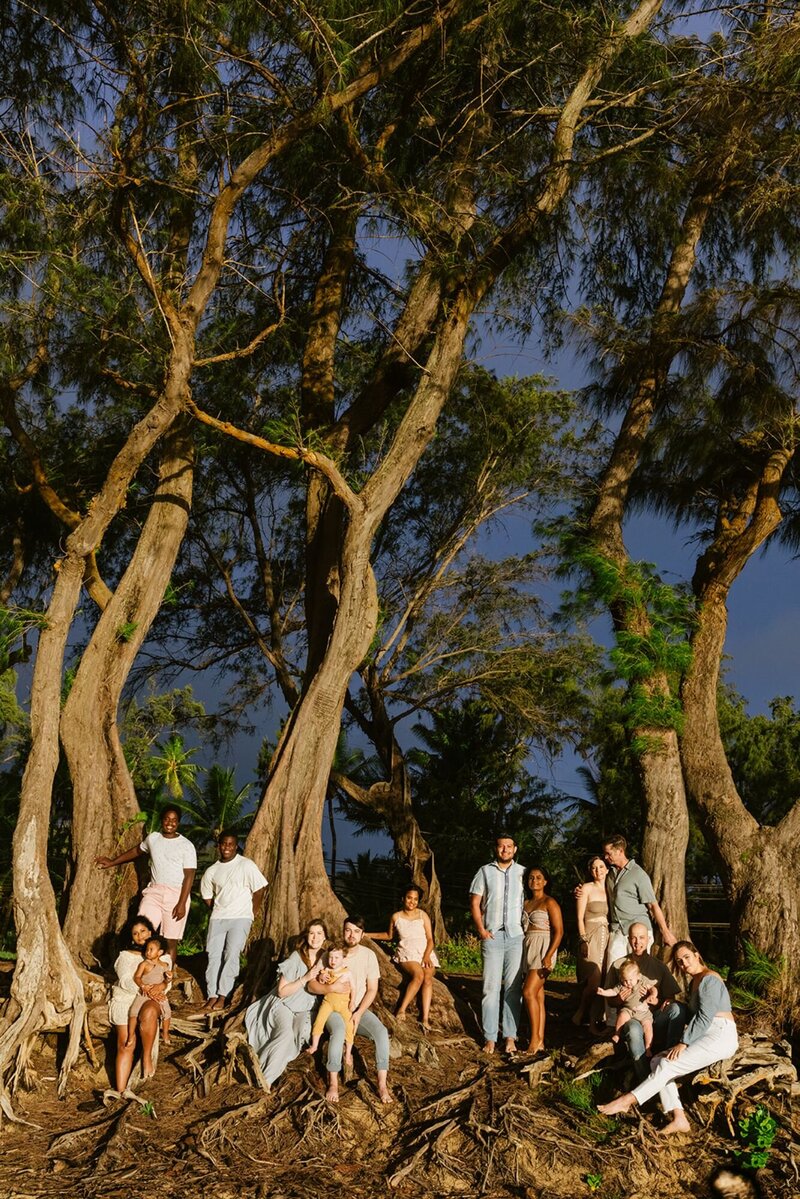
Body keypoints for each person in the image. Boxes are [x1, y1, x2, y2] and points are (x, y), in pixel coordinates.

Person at [598, 940, 738, 1135]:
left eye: (687, 957)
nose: (684, 964)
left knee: (668, 1064)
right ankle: (679, 1117)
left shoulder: (709, 979)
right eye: (679, 961)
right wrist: (668, 1002)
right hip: (705, 1034)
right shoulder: (695, 982)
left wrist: (683, 1043)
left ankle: (627, 1100)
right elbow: (694, 1015)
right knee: (657, 1061)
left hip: (720, 1034)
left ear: (697, 955)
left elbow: (706, 1017)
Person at [307, 915, 393, 1104]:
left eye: (356, 931)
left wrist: (359, 1012)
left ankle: (382, 1085)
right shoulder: (331, 953)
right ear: (343, 931)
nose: (351, 935)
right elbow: (311, 985)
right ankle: (333, 1083)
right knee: (338, 1030)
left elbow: (372, 989)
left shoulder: (369, 955)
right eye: (348, 930)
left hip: (356, 1008)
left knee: (380, 1032)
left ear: (362, 934)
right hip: (332, 1009)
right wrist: (329, 988)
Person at [96, 805, 197, 963]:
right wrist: (112, 862)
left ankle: (165, 978)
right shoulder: (153, 838)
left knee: (170, 940)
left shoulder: (186, 845)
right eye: (167, 819)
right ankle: (139, 970)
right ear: (162, 821)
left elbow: (189, 876)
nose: (170, 823)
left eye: (174, 820)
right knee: (141, 932)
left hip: (177, 895)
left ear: (178, 823)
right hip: (154, 893)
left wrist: (182, 903)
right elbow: (136, 851)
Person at [244, 919, 328, 1088]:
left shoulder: (327, 958)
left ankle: (268, 1069)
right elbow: (282, 991)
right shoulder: (297, 957)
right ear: (306, 936)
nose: (315, 937)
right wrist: (305, 978)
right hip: (283, 1004)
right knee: (285, 1036)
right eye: (311, 933)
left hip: (305, 1009)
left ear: (325, 937)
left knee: (296, 1039)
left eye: (319, 933)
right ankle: (263, 1082)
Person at [603, 921, 685, 1080]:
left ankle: (669, 1061)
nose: (637, 942)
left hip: (653, 1018)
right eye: (633, 938)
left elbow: (671, 998)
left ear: (648, 939)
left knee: (677, 1009)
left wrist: (656, 1001)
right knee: (634, 1030)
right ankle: (645, 1078)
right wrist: (619, 999)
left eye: (641, 938)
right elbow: (610, 1003)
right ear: (628, 940)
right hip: (630, 1017)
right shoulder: (618, 965)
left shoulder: (659, 967)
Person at [469, 833, 527, 1055]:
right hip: (492, 935)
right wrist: (481, 930)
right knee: (490, 988)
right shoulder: (484, 871)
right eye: (501, 846)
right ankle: (490, 1038)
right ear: (496, 849)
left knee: (513, 989)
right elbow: (475, 902)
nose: (505, 850)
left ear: (515, 849)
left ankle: (510, 1037)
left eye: (509, 846)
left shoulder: (523, 873)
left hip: (516, 937)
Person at [200, 831, 267, 1010]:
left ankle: (223, 995)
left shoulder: (246, 865)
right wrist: (218, 908)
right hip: (218, 918)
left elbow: (259, 890)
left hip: (241, 918)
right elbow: (206, 895)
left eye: (230, 844)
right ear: (219, 845)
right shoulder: (212, 870)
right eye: (224, 844)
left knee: (231, 955)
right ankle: (212, 994)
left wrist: (251, 913)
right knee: (213, 956)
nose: (227, 847)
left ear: (236, 846)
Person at [108, 917, 172, 1090]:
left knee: (150, 1011)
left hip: (151, 999)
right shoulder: (126, 956)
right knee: (126, 1043)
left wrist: (160, 987)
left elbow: (168, 981)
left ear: (150, 932)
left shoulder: (162, 955)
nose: (140, 936)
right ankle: (120, 1091)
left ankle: (146, 1057)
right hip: (126, 997)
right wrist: (144, 987)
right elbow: (125, 980)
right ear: (131, 937)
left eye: (143, 931)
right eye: (135, 933)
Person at [370, 885, 439, 1031]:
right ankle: (401, 1009)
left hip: (425, 951)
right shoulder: (396, 917)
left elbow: (430, 939)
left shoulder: (422, 915)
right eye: (409, 898)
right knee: (418, 975)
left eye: (415, 899)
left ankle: (425, 1019)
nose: (412, 902)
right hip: (407, 952)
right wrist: (367, 935)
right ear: (403, 898)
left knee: (427, 978)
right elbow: (388, 936)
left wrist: (426, 956)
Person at [601, 835, 676, 964]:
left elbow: (653, 905)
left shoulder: (638, 874)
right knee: (613, 969)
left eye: (609, 853)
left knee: (637, 971)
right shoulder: (610, 874)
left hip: (638, 930)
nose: (606, 857)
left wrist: (665, 932)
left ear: (620, 851)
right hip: (617, 930)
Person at [521, 866, 563, 1055]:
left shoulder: (549, 902)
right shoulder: (525, 902)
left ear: (545, 881)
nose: (535, 881)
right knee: (538, 995)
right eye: (531, 877)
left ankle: (534, 1041)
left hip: (544, 948)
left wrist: (548, 955)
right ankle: (540, 1041)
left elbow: (559, 931)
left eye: (539, 877)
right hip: (527, 947)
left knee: (528, 992)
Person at [573, 854, 609, 1027]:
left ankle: (596, 1017)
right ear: (590, 871)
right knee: (594, 980)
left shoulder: (611, 888)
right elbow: (579, 918)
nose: (598, 870)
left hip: (607, 936)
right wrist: (583, 940)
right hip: (591, 935)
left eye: (601, 866)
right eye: (594, 867)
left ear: (607, 869)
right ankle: (581, 1010)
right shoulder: (585, 888)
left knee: (604, 979)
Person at [305, 943, 354, 1067]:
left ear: (343, 958)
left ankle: (348, 1053)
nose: (333, 961)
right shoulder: (326, 970)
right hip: (328, 1002)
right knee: (319, 1021)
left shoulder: (347, 972)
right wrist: (321, 977)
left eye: (336, 958)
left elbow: (354, 988)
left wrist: (352, 1002)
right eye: (331, 957)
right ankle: (314, 1045)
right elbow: (321, 981)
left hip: (343, 1004)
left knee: (349, 1027)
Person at [597, 957, 657, 1053]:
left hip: (643, 1012)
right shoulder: (621, 985)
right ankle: (617, 1034)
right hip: (628, 1010)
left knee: (648, 1027)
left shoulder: (643, 982)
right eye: (625, 980)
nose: (628, 983)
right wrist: (603, 992)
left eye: (630, 980)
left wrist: (653, 995)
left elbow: (653, 988)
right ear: (621, 978)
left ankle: (648, 1048)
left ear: (638, 976)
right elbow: (613, 991)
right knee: (622, 1015)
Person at [126, 936, 173, 1050]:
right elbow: (137, 977)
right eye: (147, 949)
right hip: (144, 993)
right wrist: (143, 986)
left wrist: (168, 979)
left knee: (167, 1011)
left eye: (151, 950)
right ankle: (130, 1035)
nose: (148, 952)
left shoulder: (165, 966)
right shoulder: (144, 964)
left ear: (160, 952)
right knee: (133, 1011)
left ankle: (165, 1033)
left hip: (158, 994)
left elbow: (166, 982)